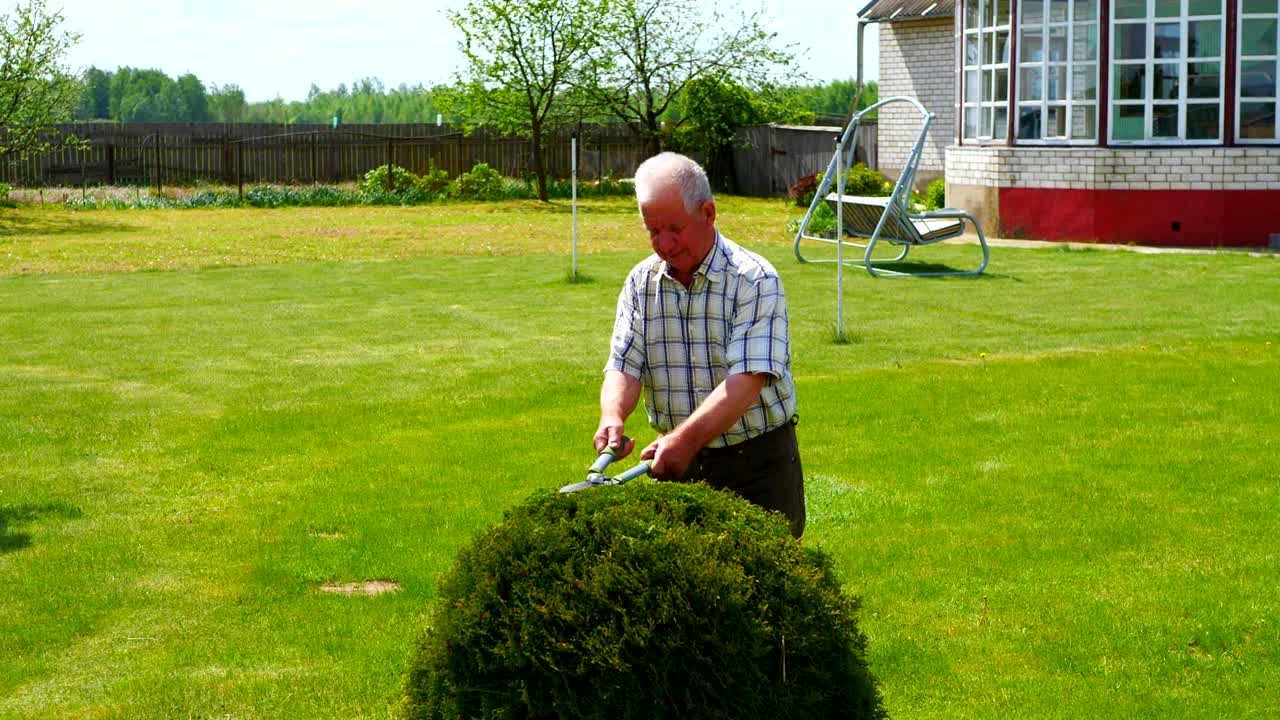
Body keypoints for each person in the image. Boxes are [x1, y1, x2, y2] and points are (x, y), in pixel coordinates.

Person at [594, 152, 805, 538]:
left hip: (756, 467)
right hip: (677, 467)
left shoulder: (754, 280)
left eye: (675, 228)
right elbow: (625, 362)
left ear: (708, 213)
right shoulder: (641, 283)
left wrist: (682, 440)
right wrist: (613, 416)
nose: (665, 244)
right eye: (653, 231)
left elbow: (746, 381)